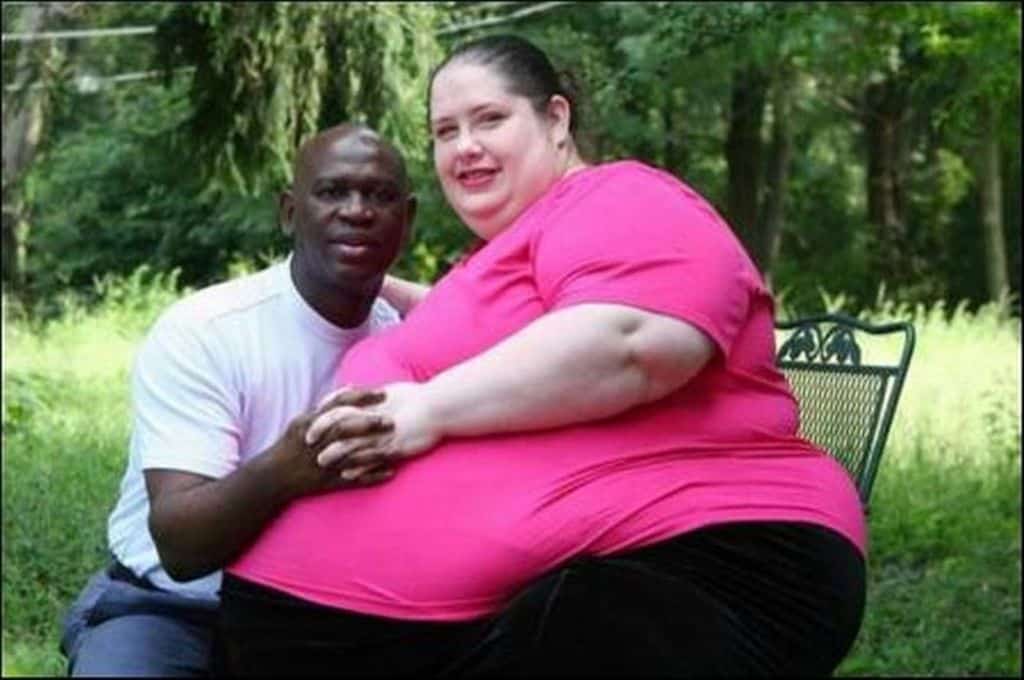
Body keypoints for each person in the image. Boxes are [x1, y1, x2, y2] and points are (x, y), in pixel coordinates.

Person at [220, 34, 868, 677]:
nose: (464, 145)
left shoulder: (623, 195)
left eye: (489, 119)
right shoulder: (509, 248)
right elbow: (498, 334)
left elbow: (632, 343)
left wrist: (426, 409)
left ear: (556, 119)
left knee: (583, 623)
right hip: (481, 614)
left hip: (711, 561)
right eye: (445, 131)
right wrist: (372, 286)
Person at [58, 123, 418, 676]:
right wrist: (286, 469)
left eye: (380, 195)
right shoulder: (208, 331)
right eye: (332, 192)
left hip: (319, 614)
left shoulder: (407, 342)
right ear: (289, 212)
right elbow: (180, 547)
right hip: (170, 607)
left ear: (408, 219)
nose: (357, 211)